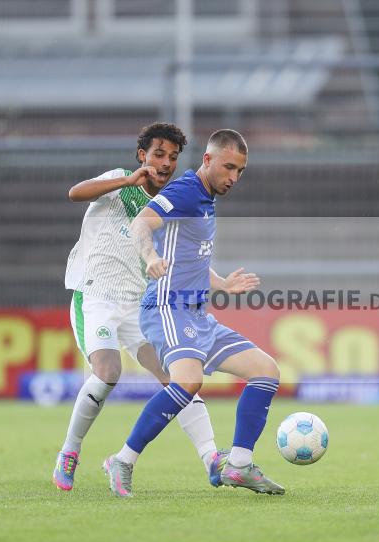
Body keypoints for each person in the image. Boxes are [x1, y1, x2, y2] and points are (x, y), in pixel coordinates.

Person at [53, 123, 254, 491]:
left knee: (180, 381)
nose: (165, 163)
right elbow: (74, 193)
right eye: (158, 154)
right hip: (95, 296)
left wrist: (221, 282)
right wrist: (127, 182)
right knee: (108, 371)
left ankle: (212, 458)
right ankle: (70, 451)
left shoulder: (172, 200)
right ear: (141, 155)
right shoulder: (119, 181)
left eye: (173, 158)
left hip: (138, 305)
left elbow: (184, 257)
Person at [102, 129, 285, 498]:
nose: (234, 177)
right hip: (168, 309)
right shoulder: (185, 191)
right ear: (207, 160)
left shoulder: (205, 199)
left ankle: (239, 465)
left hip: (199, 315)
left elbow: (192, 254)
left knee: (266, 372)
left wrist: (221, 285)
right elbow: (142, 224)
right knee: (187, 382)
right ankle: (122, 459)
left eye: (240, 171)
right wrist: (150, 257)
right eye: (229, 167)